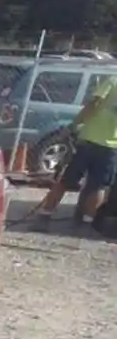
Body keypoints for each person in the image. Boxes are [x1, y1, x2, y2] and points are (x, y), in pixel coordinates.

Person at [27, 74, 117, 226]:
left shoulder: (113, 80)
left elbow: (94, 104)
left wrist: (73, 125)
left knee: (66, 180)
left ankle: (45, 215)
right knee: (100, 185)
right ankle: (87, 222)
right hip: (111, 146)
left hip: (89, 139)